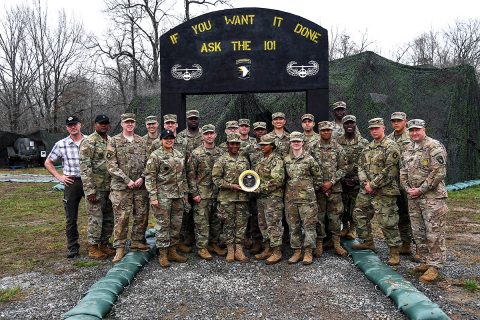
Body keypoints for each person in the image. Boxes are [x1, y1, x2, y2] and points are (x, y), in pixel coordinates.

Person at [400, 119, 448, 283]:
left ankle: (435, 266)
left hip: (432, 198)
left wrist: (421, 189)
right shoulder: (407, 149)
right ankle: (426, 260)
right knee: (418, 231)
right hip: (413, 197)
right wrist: (407, 188)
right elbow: (403, 172)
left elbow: (439, 172)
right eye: (411, 130)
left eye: (417, 130)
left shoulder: (434, 146)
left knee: (434, 231)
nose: (414, 133)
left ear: (423, 129)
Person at [352, 118, 402, 266]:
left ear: (383, 128)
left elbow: (390, 170)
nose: (374, 131)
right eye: (371, 129)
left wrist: (373, 185)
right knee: (358, 213)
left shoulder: (391, 146)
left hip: (385, 190)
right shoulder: (368, 147)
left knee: (387, 221)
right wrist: (365, 183)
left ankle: (394, 251)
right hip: (366, 189)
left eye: (377, 128)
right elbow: (360, 166)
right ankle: (367, 242)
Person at [106, 113, 149, 263]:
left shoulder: (141, 141)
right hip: (121, 187)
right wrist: (127, 179)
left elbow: (148, 163)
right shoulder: (114, 141)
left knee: (141, 215)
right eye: (127, 122)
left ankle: (137, 241)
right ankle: (119, 247)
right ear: (122, 124)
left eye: (132, 122)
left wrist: (141, 177)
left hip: (139, 186)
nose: (129, 124)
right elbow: (111, 165)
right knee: (122, 217)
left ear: (135, 124)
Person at [145, 129, 188, 268]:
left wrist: (185, 194)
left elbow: (183, 176)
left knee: (176, 224)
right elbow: (150, 177)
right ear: (161, 139)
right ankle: (163, 254)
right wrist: (153, 196)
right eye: (166, 138)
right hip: (162, 196)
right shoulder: (155, 155)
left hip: (178, 195)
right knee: (163, 225)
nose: (169, 140)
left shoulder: (179, 154)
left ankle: (172, 251)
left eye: (171, 138)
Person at [45, 116, 85, 258]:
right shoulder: (61, 144)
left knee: (96, 213)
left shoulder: (90, 141)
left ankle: (98, 245)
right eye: (70, 125)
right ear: (67, 128)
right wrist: (59, 177)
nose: (73, 127)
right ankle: (73, 247)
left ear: (80, 125)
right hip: (71, 182)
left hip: (89, 182)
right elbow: (48, 162)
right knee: (71, 217)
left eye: (75, 124)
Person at [187, 124, 226, 260]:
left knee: (216, 220)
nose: (209, 136)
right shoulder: (196, 153)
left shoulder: (221, 153)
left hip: (217, 193)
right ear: (202, 136)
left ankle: (213, 243)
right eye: (206, 134)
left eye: (211, 133)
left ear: (215, 135)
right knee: (201, 221)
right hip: (202, 194)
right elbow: (191, 176)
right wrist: (194, 193)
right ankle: (202, 247)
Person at [79, 114, 115, 260]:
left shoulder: (111, 141)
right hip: (96, 187)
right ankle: (93, 247)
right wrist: (89, 190)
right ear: (95, 125)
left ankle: (104, 244)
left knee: (108, 217)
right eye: (101, 123)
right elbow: (85, 167)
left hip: (110, 186)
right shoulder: (88, 142)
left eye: (106, 123)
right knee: (95, 217)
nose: (104, 126)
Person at [284, 132, 322, 265]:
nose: (296, 143)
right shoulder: (286, 160)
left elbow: (318, 178)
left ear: (302, 143)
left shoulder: (309, 159)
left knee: (309, 226)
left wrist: (310, 190)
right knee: (293, 226)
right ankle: (296, 252)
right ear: (290, 143)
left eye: (298, 141)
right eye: (293, 141)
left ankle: (308, 252)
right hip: (291, 200)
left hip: (307, 200)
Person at [311, 121, 348, 258]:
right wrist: (321, 184)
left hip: (335, 189)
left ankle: (336, 244)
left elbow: (343, 168)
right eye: (323, 130)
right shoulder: (313, 147)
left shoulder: (338, 148)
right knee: (319, 217)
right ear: (319, 131)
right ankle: (319, 243)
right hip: (319, 190)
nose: (326, 132)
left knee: (335, 217)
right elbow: (310, 167)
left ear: (331, 131)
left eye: (328, 130)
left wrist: (331, 183)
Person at [212, 133, 250, 263]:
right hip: (226, 198)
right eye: (232, 143)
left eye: (237, 144)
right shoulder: (221, 160)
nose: (234, 146)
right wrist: (230, 185)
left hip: (242, 198)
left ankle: (239, 250)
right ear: (227, 145)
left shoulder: (244, 160)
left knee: (241, 224)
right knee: (228, 224)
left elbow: (249, 177)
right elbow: (216, 179)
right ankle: (230, 250)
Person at [253, 134, 285, 265]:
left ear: (272, 146)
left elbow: (277, 180)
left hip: (273, 198)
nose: (262, 147)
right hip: (261, 198)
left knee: (274, 224)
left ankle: (277, 251)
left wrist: (260, 188)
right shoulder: (260, 160)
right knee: (263, 224)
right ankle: (267, 248)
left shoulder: (277, 160)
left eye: (265, 145)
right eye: (261, 144)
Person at [337, 115, 368, 240]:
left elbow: (366, 163)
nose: (349, 126)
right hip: (342, 179)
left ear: (355, 124)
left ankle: (353, 228)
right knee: (343, 205)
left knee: (355, 206)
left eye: (352, 123)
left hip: (356, 180)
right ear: (343, 125)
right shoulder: (338, 141)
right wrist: (342, 178)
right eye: (346, 123)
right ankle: (344, 227)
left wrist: (357, 179)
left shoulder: (363, 142)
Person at [388, 111, 414, 255]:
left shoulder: (412, 136)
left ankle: (419, 248)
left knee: (413, 214)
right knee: (400, 213)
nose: (396, 123)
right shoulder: (388, 139)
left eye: (399, 120)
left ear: (405, 121)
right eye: (393, 121)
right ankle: (405, 243)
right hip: (394, 183)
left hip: (409, 182)